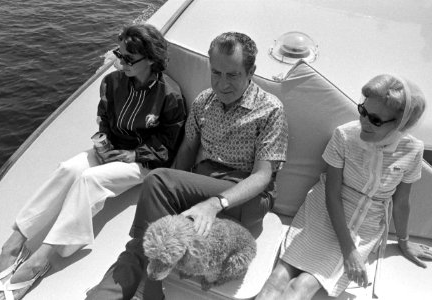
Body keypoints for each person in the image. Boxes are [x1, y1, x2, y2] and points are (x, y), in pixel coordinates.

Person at [85, 31, 289, 300]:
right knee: (153, 234)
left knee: (158, 181)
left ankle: (153, 291)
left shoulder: (270, 110)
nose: (222, 83)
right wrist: (172, 204)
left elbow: (263, 177)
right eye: (216, 72)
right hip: (201, 186)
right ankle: (102, 296)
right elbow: (186, 152)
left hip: (245, 197)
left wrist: (215, 204)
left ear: (251, 71)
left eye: (232, 75)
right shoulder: (205, 102)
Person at [0, 24, 186, 300]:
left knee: (90, 180)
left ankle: (41, 259)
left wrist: (134, 155)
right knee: (68, 169)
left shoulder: (170, 96)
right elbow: (105, 118)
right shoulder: (112, 82)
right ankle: (16, 239)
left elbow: (167, 145)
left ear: (152, 60)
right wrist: (104, 141)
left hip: (143, 163)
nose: (120, 63)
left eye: (129, 59)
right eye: (118, 55)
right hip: (112, 151)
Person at [256, 75, 432, 300]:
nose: (363, 121)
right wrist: (349, 251)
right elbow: (332, 195)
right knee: (277, 279)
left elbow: (401, 203)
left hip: (365, 226)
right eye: (362, 111)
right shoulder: (344, 135)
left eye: (375, 120)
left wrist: (404, 242)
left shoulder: (413, 150)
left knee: (302, 287)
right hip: (325, 212)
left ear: (400, 124)